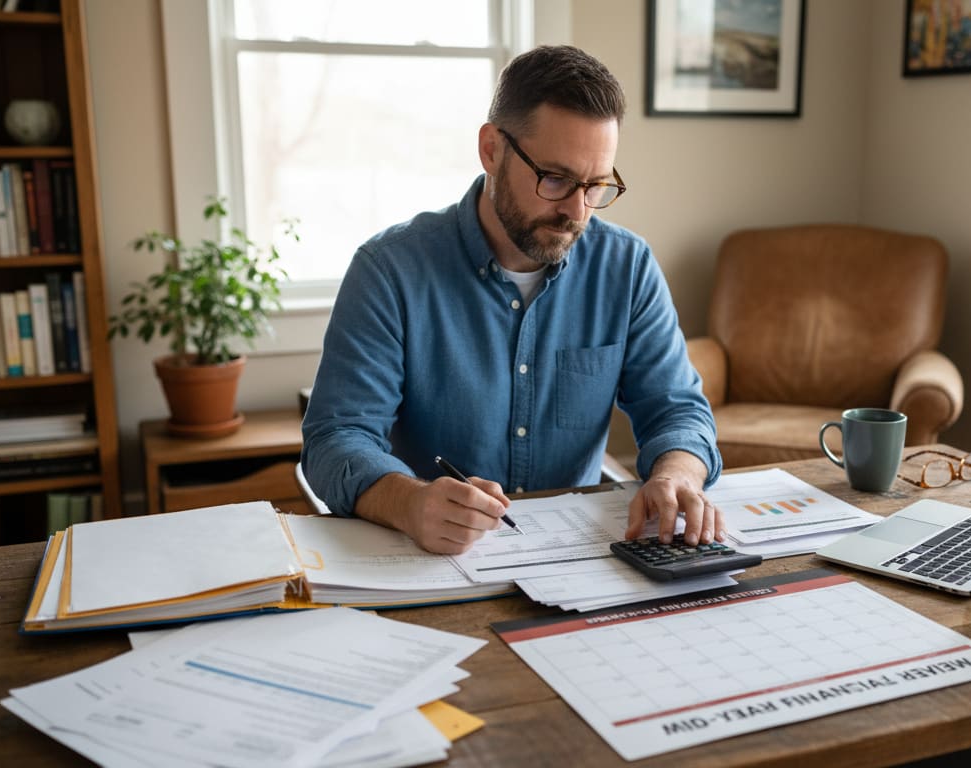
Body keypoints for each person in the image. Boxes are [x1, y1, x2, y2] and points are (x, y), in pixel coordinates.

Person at [301, 45, 722, 555]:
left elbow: (676, 408)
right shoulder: (390, 271)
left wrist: (677, 474)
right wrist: (409, 502)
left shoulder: (626, 267)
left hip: (577, 559)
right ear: (491, 149)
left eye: (596, 185)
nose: (577, 211)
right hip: (434, 562)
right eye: (557, 179)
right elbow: (336, 438)